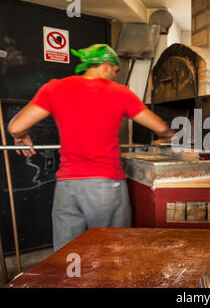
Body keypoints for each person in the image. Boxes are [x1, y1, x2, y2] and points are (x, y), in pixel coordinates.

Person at [8, 44, 174, 251]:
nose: (115, 76)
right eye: (115, 71)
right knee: (112, 249)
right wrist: (171, 134)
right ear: (105, 66)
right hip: (105, 184)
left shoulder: (55, 88)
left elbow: (15, 127)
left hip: (68, 187)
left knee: (68, 252)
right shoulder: (120, 93)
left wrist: (22, 137)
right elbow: (159, 127)